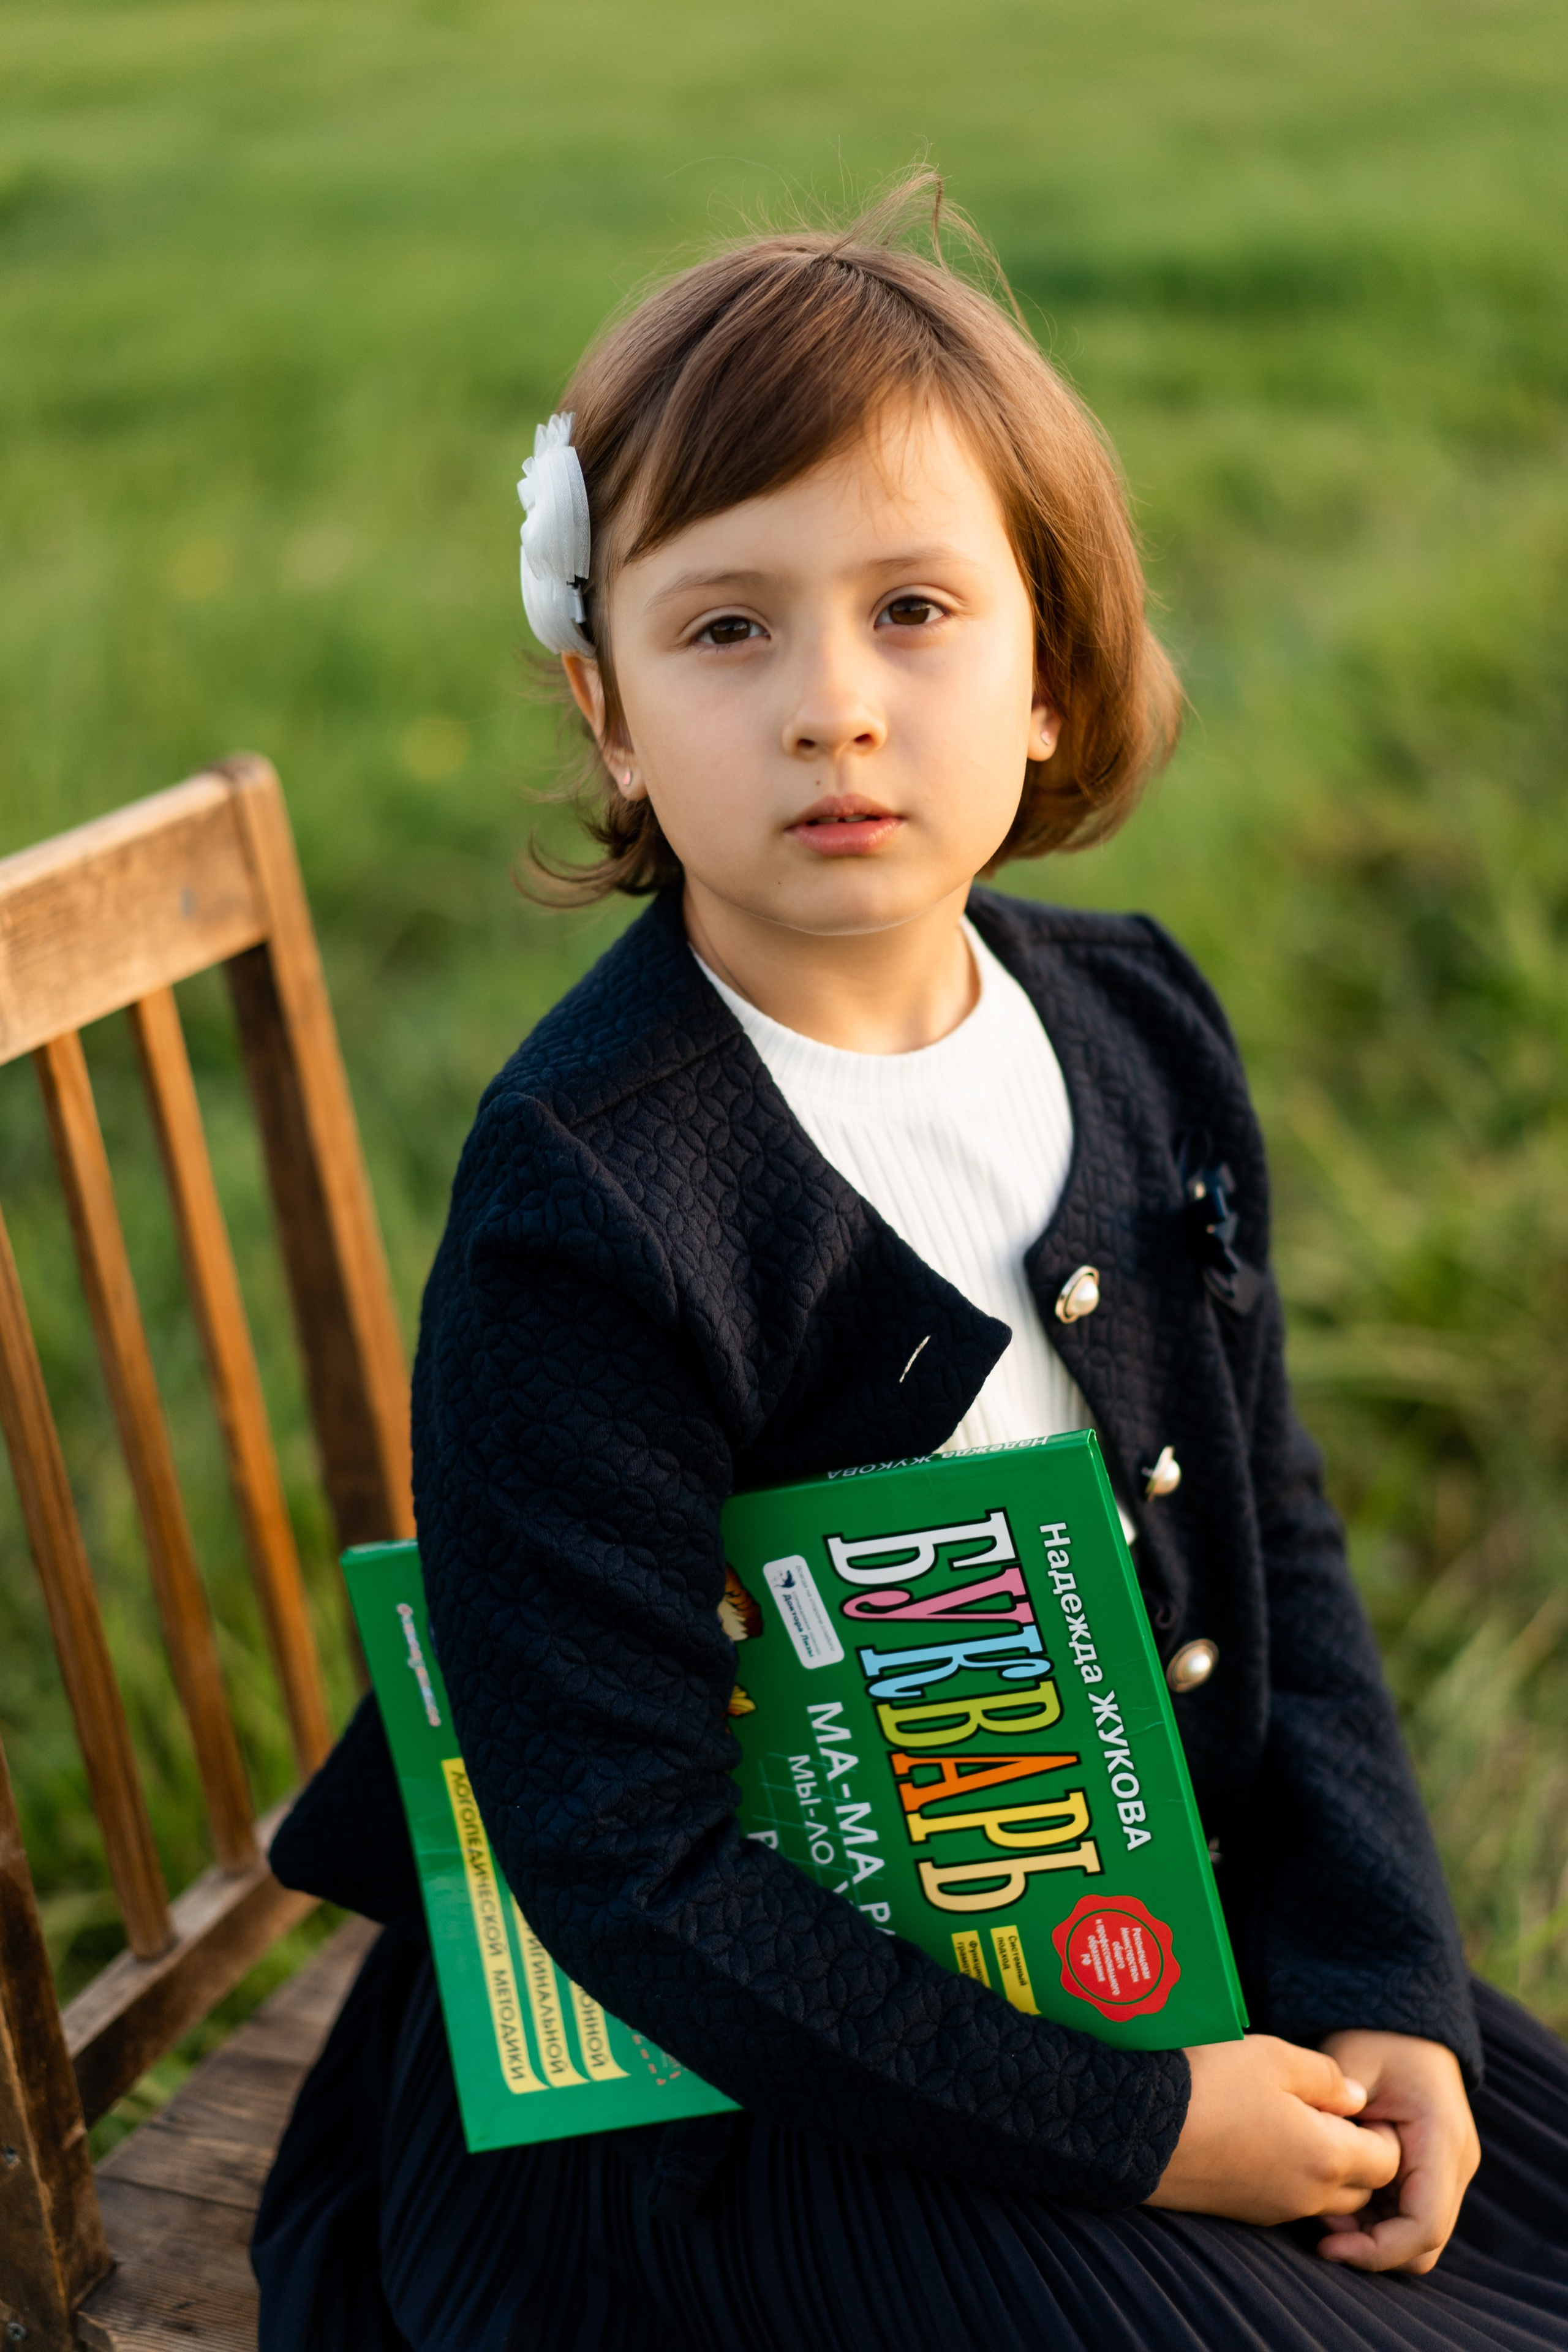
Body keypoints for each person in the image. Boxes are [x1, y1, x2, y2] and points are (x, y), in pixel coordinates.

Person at [254, 178, 1568, 2351]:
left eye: (918, 612)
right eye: (729, 629)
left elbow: (1282, 1538)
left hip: (1110, 1927)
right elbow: (621, 1867)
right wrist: (1142, 2131)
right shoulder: (587, 1198)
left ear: (1050, 668)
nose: (833, 708)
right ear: (610, 713)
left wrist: (1376, 1980)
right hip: (712, 2091)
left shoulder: (1134, 1028)